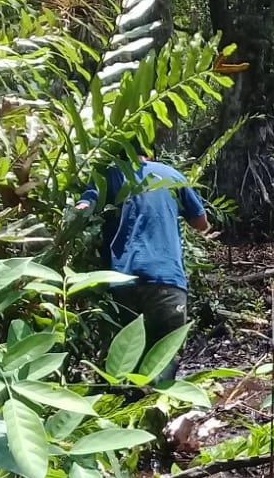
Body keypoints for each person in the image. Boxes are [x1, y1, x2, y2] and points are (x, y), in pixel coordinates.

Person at [78, 156, 211, 367]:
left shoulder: (109, 175)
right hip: (166, 278)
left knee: (125, 360)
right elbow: (201, 222)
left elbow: (85, 206)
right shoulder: (171, 175)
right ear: (150, 152)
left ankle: (128, 397)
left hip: (122, 280)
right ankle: (157, 396)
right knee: (164, 358)